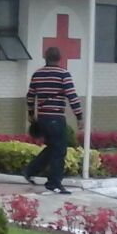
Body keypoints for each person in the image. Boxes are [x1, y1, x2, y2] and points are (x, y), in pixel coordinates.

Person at [23, 46, 84, 194]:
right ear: (59, 58)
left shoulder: (37, 74)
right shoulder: (63, 74)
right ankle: (54, 183)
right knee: (59, 150)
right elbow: (72, 96)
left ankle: (30, 170)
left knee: (52, 148)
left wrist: (31, 114)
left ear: (46, 58)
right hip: (56, 118)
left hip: (42, 118)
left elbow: (30, 96)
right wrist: (79, 116)